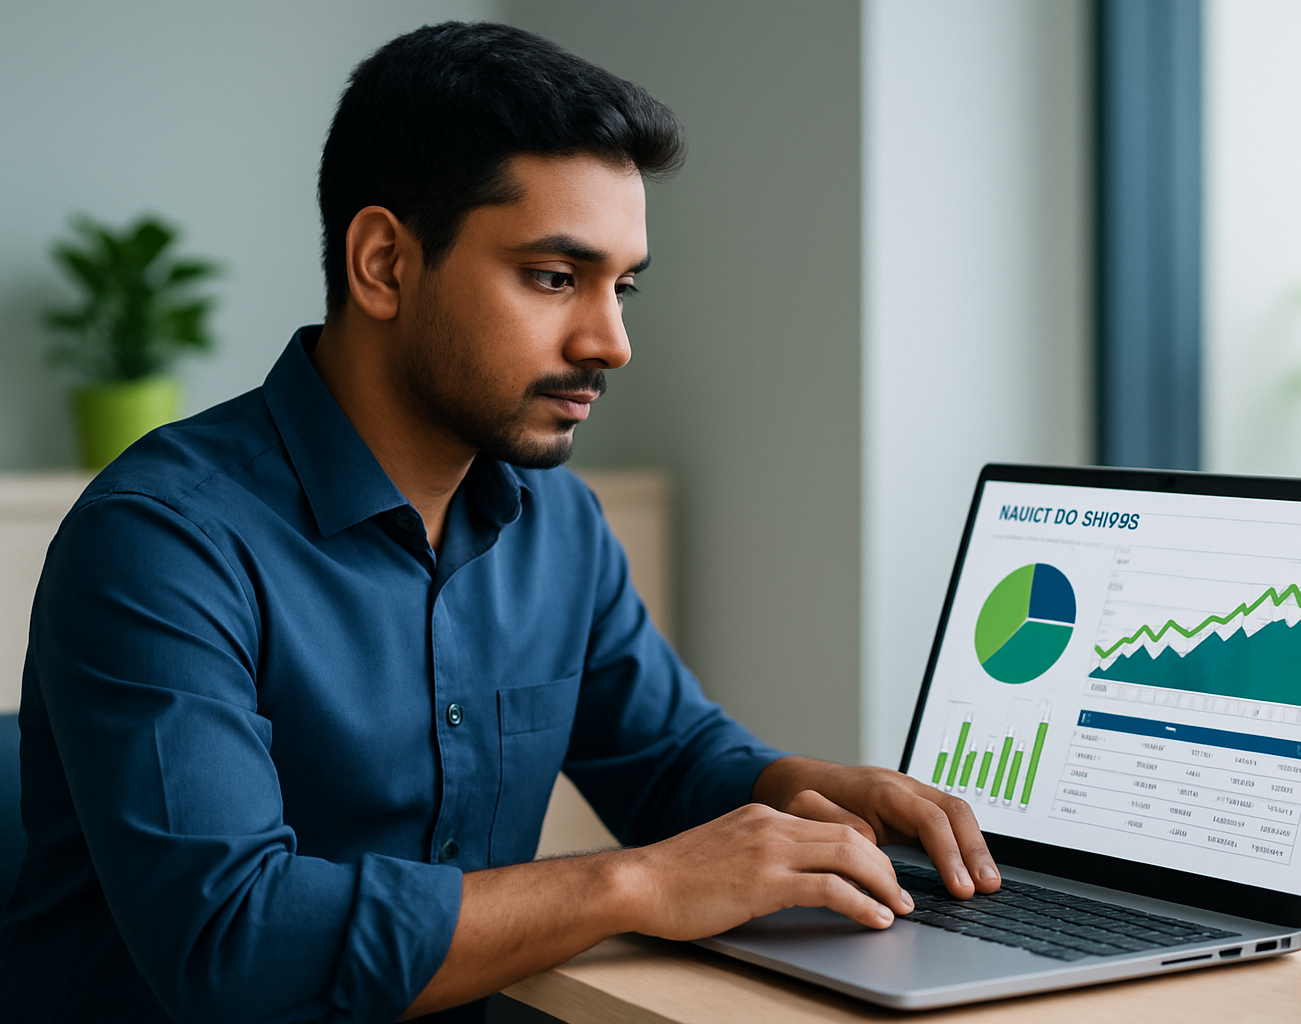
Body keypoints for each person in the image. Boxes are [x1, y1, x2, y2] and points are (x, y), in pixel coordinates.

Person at [0, 22, 998, 1023]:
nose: (610, 341)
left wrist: (814, 795)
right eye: (556, 277)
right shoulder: (160, 541)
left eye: (624, 286)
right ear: (384, 263)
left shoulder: (556, 522)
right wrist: (633, 883)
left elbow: (672, 761)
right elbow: (232, 943)